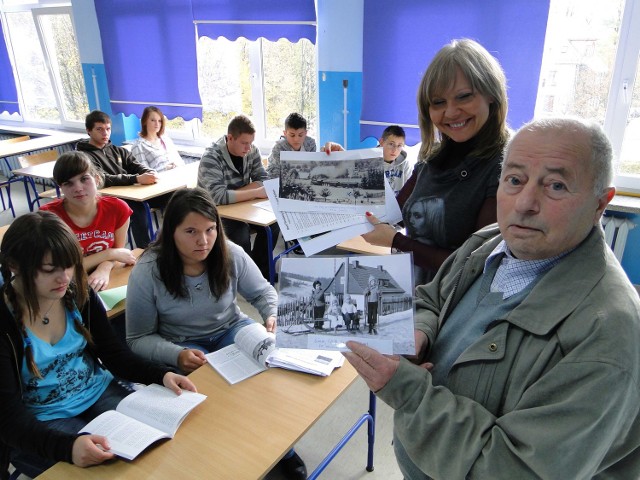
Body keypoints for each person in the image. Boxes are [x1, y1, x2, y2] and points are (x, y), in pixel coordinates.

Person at [344, 117, 640, 479]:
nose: (525, 203)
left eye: (556, 186)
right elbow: (433, 297)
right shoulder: (490, 240)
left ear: (600, 203)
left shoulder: (608, 335)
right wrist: (420, 329)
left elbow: (516, 470)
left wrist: (409, 392)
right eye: (514, 180)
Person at [125, 187, 306, 479]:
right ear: (170, 231)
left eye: (210, 229)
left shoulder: (229, 251)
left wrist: (272, 313)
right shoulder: (149, 269)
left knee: (271, 382)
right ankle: (239, 459)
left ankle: (284, 452)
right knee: (216, 400)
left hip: (233, 329)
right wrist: (176, 354)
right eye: (191, 231)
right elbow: (136, 339)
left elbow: (262, 293)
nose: (204, 241)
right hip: (184, 343)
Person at [0, 212, 196, 478]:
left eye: (69, 265)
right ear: (14, 265)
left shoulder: (76, 292)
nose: (64, 277)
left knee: (160, 444)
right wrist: (68, 449)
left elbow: (114, 355)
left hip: (97, 391)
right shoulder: (5, 319)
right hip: (41, 420)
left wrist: (160, 374)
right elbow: (9, 419)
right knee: (109, 470)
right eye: (49, 270)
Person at [362, 39, 509, 286]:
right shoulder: (433, 158)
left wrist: (397, 241)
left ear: (491, 95)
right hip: (413, 293)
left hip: (453, 308)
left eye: (464, 97)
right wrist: (343, 167)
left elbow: (476, 265)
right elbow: (389, 214)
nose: (450, 112)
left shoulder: (507, 167)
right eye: (438, 102)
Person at [40, 151, 137, 292]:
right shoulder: (49, 217)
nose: (78, 188)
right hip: (64, 286)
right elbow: (61, 270)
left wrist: (104, 267)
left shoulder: (118, 208)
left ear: (97, 179)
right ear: (61, 187)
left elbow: (118, 251)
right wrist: (108, 254)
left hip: (104, 279)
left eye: (84, 179)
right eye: (68, 183)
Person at [196, 114, 278, 280]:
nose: (248, 148)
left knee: (274, 224)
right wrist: (253, 192)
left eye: (251, 143)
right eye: (244, 143)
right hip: (214, 211)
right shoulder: (211, 157)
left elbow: (262, 179)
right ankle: (245, 275)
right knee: (240, 233)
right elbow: (218, 197)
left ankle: (259, 269)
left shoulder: (251, 150)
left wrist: (238, 193)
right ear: (230, 138)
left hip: (241, 206)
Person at [77, 110, 163, 249]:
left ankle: (169, 241)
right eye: (99, 129)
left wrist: (148, 172)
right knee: (138, 210)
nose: (105, 133)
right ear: (89, 131)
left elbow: (135, 165)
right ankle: (145, 250)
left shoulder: (118, 150)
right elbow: (102, 179)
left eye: (108, 129)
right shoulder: (84, 157)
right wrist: (136, 178)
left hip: (130, 193)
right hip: (106, 197)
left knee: (171, 198)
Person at [130, 106, 185, 172]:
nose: (157, 124)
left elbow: (180, 162)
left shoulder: (166, 140)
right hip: (160, 180)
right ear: (144, 121)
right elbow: (144, 174)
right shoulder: (138, 146)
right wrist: (166, 168)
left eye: (159, 121)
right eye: (153, 120)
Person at [378, 125, 411, 196]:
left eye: (399, 146)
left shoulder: (405, 165)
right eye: (391, 144)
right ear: (381, 142)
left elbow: (410, 192)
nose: (395, 150)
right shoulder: (368, 162)